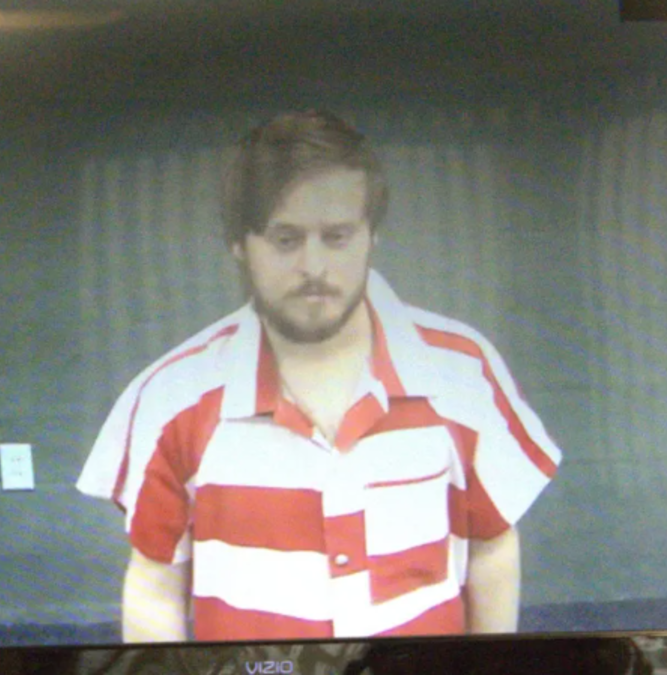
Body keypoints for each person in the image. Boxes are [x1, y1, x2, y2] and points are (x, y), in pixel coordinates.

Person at [76, 110, 563, 643]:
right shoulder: (172, 397)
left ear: (371, 236)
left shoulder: (463, 372)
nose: (314, 266)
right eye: (286, 239)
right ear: (240, 244)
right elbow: (155, 587)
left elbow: (492, 547)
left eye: (336, 236)